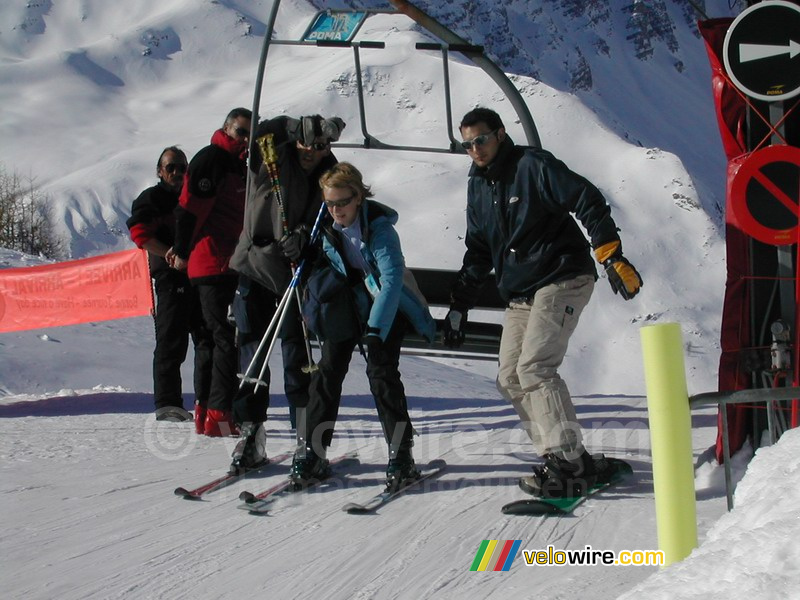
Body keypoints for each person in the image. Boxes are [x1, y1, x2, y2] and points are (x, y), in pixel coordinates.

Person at [443, 107, 642, 498]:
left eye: (481, 139)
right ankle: (565, 457)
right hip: (520, 293)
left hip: (561, 276)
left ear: (500, 134)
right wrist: (459, 305)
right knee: (510, 378)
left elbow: (586, 198)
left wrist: (610, 254)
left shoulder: (532, 166)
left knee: (535, 368)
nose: (475, 150)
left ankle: (569, 464)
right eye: (467, 144)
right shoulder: (478, 186)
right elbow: (479, 250)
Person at [289, 162, 436, 492]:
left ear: (358, 197)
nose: (336, 210)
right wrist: (301, 251)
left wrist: (375, 330)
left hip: (386, 308)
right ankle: (313, 451)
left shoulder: (380, 230)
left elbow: (392, 279)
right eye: (329, 203)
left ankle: (401, 455)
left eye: (342, 202)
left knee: (381, 373)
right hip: (348, 307)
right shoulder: (324, 226)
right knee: (327, 373)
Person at [227, 114, 344, 473]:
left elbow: (333, 216)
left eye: (320, 145)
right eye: (307, 143)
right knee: (252, 352)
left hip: (296, 275)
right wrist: (293, 127)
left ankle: (306, 438)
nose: (311, 151)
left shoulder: (330, 175)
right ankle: (251, 430)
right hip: (257, 266)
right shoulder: (272, 157)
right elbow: (260, 135)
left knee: (298, 355)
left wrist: (307, 236)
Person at [172, 107, 252, 437]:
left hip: (220, 261)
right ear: (226, 129)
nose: (245, 139)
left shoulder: (236, 163)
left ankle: (205, 412)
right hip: (212, 261)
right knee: (222, 339)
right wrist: (182, 248)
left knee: (208, 339)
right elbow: (190, 208)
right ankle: (219, 414)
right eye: (240, 132)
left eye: (250, 134)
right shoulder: (213, 160)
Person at [126, 147, 213, 422]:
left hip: (202, 276)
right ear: (159, 171)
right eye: (171, 167)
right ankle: (168, 405)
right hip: (169, 276)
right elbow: (139, 234)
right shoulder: (151, 199)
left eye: (181, 168)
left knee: (209, 338)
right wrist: (168, 254)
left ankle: (209, 402)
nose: (176, 172)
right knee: (171, 340)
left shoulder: (196, 198)